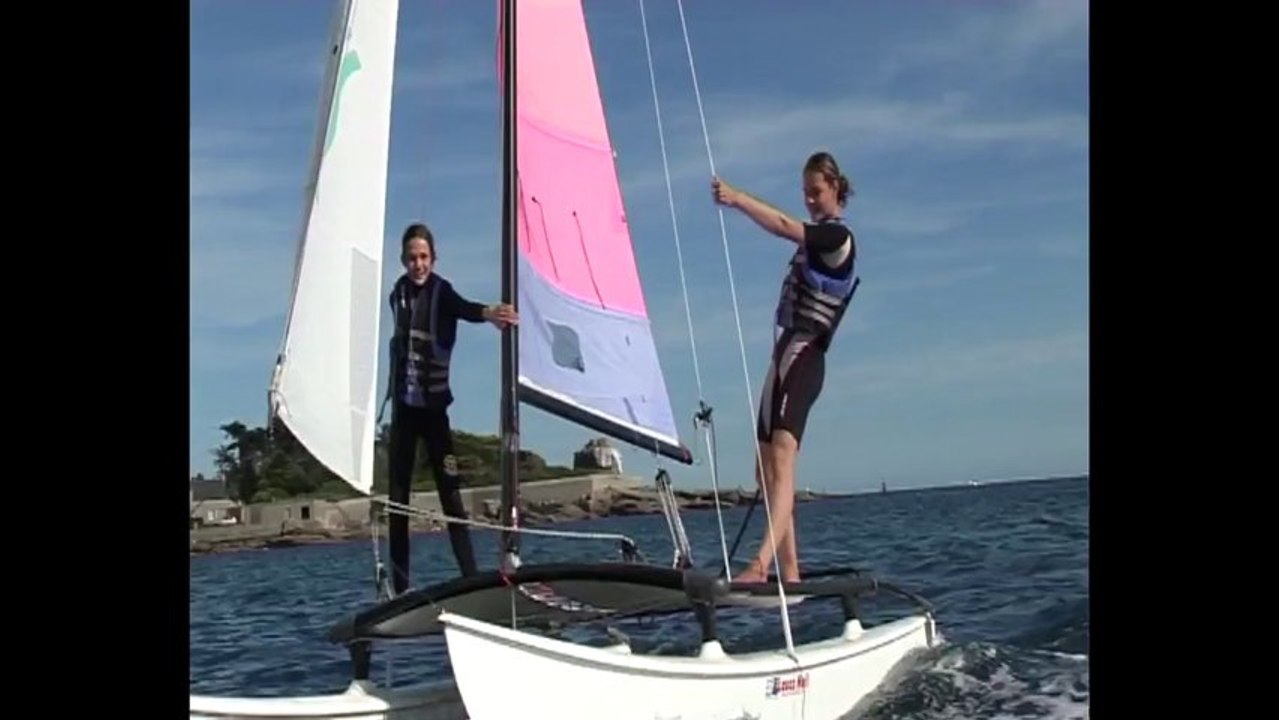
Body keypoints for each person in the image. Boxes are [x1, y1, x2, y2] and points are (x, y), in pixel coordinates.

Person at [710, 151, 859, 584]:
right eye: (805, 193)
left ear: (835, 188)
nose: (810, 200)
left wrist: (736, 198)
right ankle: (791, 573)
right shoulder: (816, 239)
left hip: (807, 354)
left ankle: (760, 565)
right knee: (763, 465)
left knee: (782, 454)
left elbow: (781, 225)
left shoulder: (836, 238)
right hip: (784, 353)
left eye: (816, 192)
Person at [383, 221, 518, 595]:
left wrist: (491, 312)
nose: (418, 264)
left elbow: (464, 309)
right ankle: (400, 588)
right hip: (404, 415)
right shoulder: (397, 294)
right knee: (398, 501)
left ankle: (471, 580)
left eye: (424, 257)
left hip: (434, 414)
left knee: (451, 497)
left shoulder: (442, 292)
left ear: (433, 257)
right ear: (403, 260)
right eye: (412, 258)